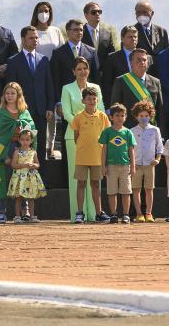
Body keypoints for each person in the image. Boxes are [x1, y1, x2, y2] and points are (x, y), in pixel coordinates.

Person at [61, 58, 106, 222]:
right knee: (78, 179)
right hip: (74, 135)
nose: (82, 72)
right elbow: (66, 112)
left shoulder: (96, 88)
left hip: (96, 136)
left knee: (95, 179)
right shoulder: (67, 88)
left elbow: (101, 110)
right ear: (74, 71)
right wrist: (81, 125)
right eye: (79, 69)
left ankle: (95, 214)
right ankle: (77, 214)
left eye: (85, 68)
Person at [6, 26, 54, 163]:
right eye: (31, 38)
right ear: (23, 39)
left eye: (36, 37)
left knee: (39, 146)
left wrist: (50, 107)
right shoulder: (13, 61)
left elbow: (49, 85)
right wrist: (14, 110)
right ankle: (24, 181)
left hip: (41, 110)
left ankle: (41, 180)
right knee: (22, 147)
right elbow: (11, 89)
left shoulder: (44, 60)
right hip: (22, 112)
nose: (35, 40)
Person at [0, 82, 35, 223]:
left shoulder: (25, 113)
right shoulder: (1, 113)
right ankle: (0, 212)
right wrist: (4, 156)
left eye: (13, 93)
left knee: (23, 179)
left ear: (18, 95)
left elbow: (32, 131)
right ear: (4, 95)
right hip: (6, 148)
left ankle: (25, 210)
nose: (10, 96)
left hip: (22, 149)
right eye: (7, 93)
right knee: (3, 180)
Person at [70, 86, 110, 224]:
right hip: (82, 157)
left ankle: (99, 213)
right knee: (81, 184)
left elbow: (106, 137)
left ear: (97, 100)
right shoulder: (78, 117)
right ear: (83, 100)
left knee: (96, 185)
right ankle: (80, 213)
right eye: (89, 99)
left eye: (94, 99)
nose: (92, 101)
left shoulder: (103, 116)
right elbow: (76, 137)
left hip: (97, 157)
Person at [31, 1, 65, 160]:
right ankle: (36, 147)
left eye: (46, 11)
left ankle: (50, 147)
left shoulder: (56, 31)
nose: (44, 13)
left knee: (52, 113)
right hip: (38, 76)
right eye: (40, 11)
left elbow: (63, 51)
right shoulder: (33, 32)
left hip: (55, 75)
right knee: (40, 113)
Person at [99, 103, 136, 224]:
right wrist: (103, 165)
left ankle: (126, 215)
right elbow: (104, 149)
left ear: (125, 117)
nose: (120, 118)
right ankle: (114, 214)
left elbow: (131, 150)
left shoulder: (128, 132)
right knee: (112, 191)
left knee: (126, 191)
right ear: (111, 117)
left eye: (122, 115)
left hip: (125, 166)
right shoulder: (107, 132)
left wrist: (133, 166)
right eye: (117, 115)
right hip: (111, 166)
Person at [110, 48, 163, 128]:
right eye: (138, 60)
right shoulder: (121, 81)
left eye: (144, 60)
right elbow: (115, 109)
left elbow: (160, 110)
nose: (142, 62)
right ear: (131, 63)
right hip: (129, 130)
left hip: (150, 130)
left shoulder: (156, 82)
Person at [130, 101, 163, 223]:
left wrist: (157, 159)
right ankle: (139, 214)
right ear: (136, 117)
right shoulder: (132, 131)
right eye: (141, 116)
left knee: (149, 189)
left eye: (146, 116)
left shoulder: (155, 130)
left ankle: (149, 213)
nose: (144, 118)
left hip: (150, 165)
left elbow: (159, 147)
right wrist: (132, 163)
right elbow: (129, 149)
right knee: (136, 189)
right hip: (137, 165)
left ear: (150, 116)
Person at [7, 129, 46, 223]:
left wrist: (33, 166)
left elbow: (38, 164)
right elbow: (13, 165)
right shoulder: (17, 152)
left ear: (31, 141)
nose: (25, 142)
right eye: (22, 139)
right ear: (19, 140)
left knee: (31, 197)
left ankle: (32, 216)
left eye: (27, 139)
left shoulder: (33, 152)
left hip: (30, 177)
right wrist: (24, 165)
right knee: (19, 197)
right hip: (20, 178)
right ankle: (17, 216)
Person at [102, 26, 139, 108]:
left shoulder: (145, 57)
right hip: (120, 104)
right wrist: (108, 107)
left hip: (141, 102)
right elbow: (107, 84)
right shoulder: (112, 58)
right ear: (122, 39)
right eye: (130, 37)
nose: (133, 39)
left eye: (135, 37)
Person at [81, 2, 116, 74]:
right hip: (85, 75)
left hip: (104, 75)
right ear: (86, 15)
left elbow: (111, 55)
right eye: (93, 12)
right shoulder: (80, 33)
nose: (97, 14)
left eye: (99, 12)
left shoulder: (107, 33)